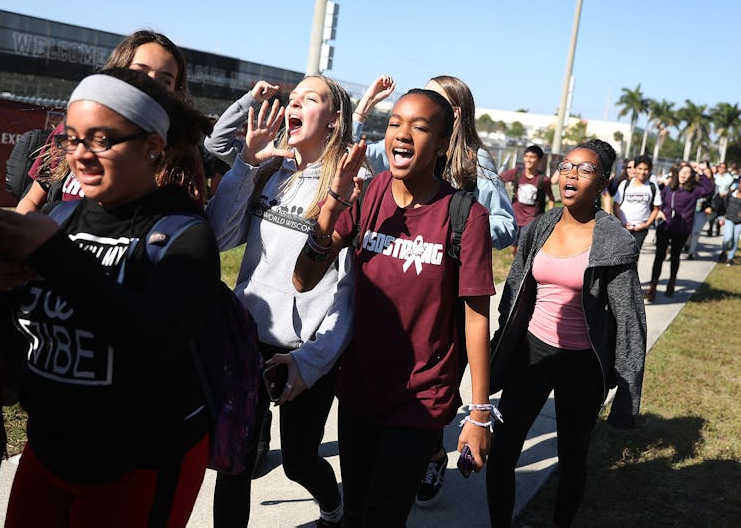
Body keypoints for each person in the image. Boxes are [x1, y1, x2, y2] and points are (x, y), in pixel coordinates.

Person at [0, 67, 217, 527]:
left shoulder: (184, 233)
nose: (80, 155)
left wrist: (54, 257)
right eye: (72, 139)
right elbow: (18, 339)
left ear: (152, 145)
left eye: (101, 140)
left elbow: (153, 342)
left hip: (138, 462)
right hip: (49, 450)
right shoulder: (60, 216)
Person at [293, 88, 496, 526]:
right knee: (356, 513)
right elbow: (304, 278)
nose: (402, 135)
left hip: (421, 398)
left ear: (442, 144)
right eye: (395, 123)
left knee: (384, 517)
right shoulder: (369, 193)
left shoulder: (466, 217)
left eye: (420, 127)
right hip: (359, 389)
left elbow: (477, 321)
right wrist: (334, 203)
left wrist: (479, 414)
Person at [205, 75, 355, 528]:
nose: (293, 104)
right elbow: (218, 235)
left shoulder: (350, 185)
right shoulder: (271, 171)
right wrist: (246, 164)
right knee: (236, 463)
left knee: (299, 461)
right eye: (293, 98)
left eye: (310, 99)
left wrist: (312, 361)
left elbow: (348, 293)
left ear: (334, 120)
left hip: (303, 351)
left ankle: (333, 509)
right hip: (246, 337)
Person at [486, 139, 646, 528]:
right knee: (503, 451)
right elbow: (514, 290)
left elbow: (629, 320)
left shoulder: (614, 241)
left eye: (585, 169)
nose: (571, 174)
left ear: (604, 183)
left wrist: (627, 394)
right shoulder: (540, 225)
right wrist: (501, 344)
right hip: (532, 354)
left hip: (582, 365)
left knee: (572, 455)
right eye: (566, 165)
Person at [16, 30, 201, 214]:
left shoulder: (181, 154)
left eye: (164, 81)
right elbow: (32, 199)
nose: (150, 85)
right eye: (140, 72)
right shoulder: (72, 128)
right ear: (117, 71)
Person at [352, 74, 516, 252]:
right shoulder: (401, 144)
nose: (422, 101)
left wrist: (457, 232)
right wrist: (364, 106)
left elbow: (506, 225)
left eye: (433, 96)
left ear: (455, 113)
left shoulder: (475, 158)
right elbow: (349, 154)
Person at [645, 163, 714, 301]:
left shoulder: (695, 190)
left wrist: (700, 172)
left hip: (682, 229)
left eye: (688, 173)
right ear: (678, 173)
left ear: (691, 176)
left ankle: (671, 282)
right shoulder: (669, 187)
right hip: (665, 226)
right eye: (682, 172)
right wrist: (659, 212)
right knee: (659, 256)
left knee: (675, 256)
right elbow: (660, 202)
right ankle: (653, 287)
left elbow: (709, 189)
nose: (684, 175)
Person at [500, 145, 556, 255]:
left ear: (539, 160)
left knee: (523, 248)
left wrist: (549, 216)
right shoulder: (517, 172)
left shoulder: (543, 179)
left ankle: (523, 268)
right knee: (514, 248)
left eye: (532, 157)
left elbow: (551, 199)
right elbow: (499, 178)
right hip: (515, 217)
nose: (528, 160)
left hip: (532, 220)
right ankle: (518, 265)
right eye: (526, 156)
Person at [612, 154, 661, 252]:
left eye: (646, 169)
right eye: (640, 168)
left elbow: (656, 209)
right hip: (624, 228)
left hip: (641, 229)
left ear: (650, 170)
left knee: (634, 256)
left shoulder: (652, 187)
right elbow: (616, 205)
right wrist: (622, 223)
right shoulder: (625, 184)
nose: (642, 172)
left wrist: (646, 224)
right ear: (635, 169)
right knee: (621, 255)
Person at [717, 177, 741, 266]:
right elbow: (724, 204)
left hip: (740, 221)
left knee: (735, 239)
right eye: (740, 184)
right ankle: (724, 251)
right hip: (729, 218)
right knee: (728, 238)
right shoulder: (731, 193)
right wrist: (721, 217)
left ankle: (730, 258)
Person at [687, 164, 717, 259]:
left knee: (696, 232)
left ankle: (691, 252)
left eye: (707, 173)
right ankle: (687, 244)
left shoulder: (711, 187)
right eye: (704, 173)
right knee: (688, 231)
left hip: (702, 212)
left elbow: (711, 193)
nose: (705, 174)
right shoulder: (694, 184)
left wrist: (710, 207)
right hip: (690, 211)